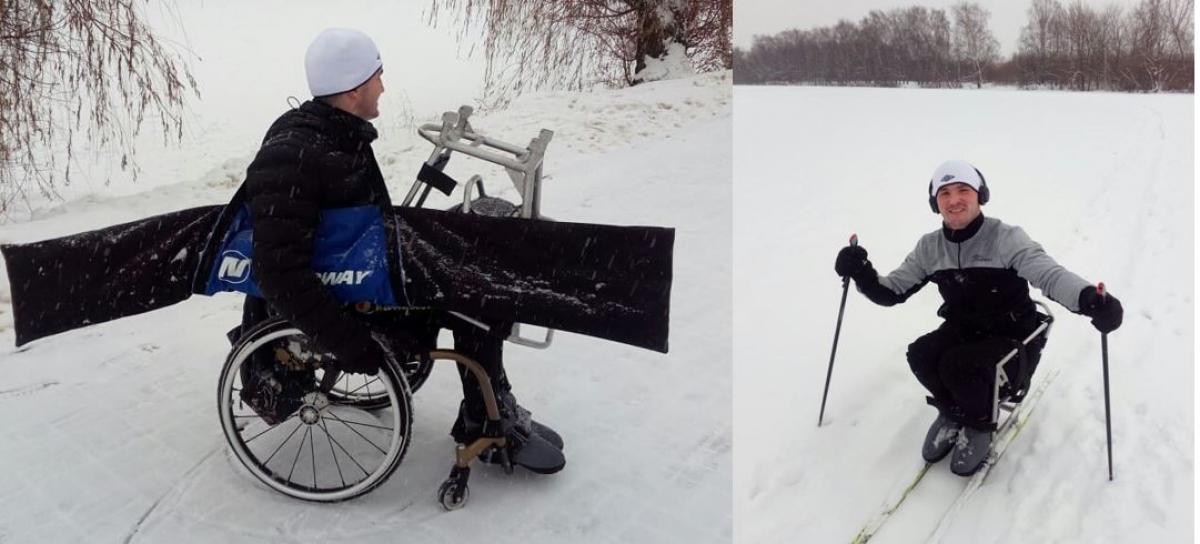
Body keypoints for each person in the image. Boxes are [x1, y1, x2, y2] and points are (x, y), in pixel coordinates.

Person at [238, 27, 564, 474]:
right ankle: (486, 418)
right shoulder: (294, 153)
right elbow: (277, 270)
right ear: (354, 91)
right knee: (478, 292)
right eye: (377, 77)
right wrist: (349, 342)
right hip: (355, 303)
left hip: (367, 268)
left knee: (487, 227)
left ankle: (491, 403)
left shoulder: (336, 132)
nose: (383, 87)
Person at [833, 160, 1123, 476]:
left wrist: (1089, 299)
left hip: (1013, 335)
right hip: (965, 328)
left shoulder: (1005, 238)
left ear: (979, 195)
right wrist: (861, 272)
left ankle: (979, 423)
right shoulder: (930, 248)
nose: (954, 200)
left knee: (958, 365)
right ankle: (954, 410)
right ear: (935, 202)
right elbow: (892, 292)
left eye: (963, 190)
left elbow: (1049, 274)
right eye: (944, 193)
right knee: (921, 354)